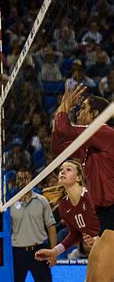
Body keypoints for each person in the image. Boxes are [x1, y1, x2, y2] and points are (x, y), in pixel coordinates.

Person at [51, 84, 114, 282]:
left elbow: (64, 128)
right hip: (105, 217)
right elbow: (58, 150)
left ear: (96, 113)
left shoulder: (105, 132)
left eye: (83, 108)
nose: (78, 112)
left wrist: (63, 108)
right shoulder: (89, 145)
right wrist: (59, 114)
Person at [35, 160, 100, 274]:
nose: (62, 172)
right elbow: (75, 235)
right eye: (61, 170)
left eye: (68, 169)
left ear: (78, 178)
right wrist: (54, 252)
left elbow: (109, 223)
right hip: (98, 251)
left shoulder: (91, 195)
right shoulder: (64, 205)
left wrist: (97, 239)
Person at [10, 169, 56, 282]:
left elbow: (51, 227)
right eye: (20, 179)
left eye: (26, 178)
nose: (23, 182)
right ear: (16, 181)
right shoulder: (10, 203)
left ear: (32, 180)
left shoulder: (42, 200)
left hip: (39, 250)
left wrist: (53, 253)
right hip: (17, 252)